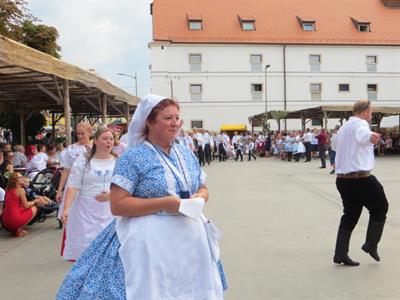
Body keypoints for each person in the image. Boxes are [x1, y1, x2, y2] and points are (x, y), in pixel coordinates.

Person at [57, 95, 226, 299]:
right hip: (148, 243)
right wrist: (166, 204)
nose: (175, 123)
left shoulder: (186, 153)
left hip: (189, 241)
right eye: (167, 118)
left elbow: (202, 186)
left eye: (177, 118)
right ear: (149, 121)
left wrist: (200, 197)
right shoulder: (132, 156)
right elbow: (118, 205)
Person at [333, 100, 389, 266]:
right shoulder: (361, 126)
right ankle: (371, 244)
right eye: (370, 111)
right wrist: (371, 137)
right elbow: (364, 135)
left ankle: (340, 253)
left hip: (343, 180)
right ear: (365, 111)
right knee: (381, 207)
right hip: (361, 179)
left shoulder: (343, 128)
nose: (371, 115)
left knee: (350, 215)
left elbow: (334, 146)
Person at [61, 127, 117, 261]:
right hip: (86, 211)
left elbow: (125, 186)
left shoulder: (119, 161)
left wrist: (112, 195)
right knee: (87, 251)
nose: (108, 142)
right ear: (96, 141)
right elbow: (73, 185)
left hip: (111, 211)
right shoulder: (83, 160)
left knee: (109, 253)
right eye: (104, 139)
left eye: (111, 139)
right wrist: (66, 209)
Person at [0, 172, 48, 237]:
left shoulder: (8, 190)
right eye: (21, 177)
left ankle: (14, 229)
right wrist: (35, 201)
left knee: (20, 208)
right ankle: (19, 228)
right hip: (14, 219)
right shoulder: (20, 190)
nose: (23, 178)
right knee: (35, 208)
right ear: (16, 180)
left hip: (5, 220)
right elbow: (26, 206)